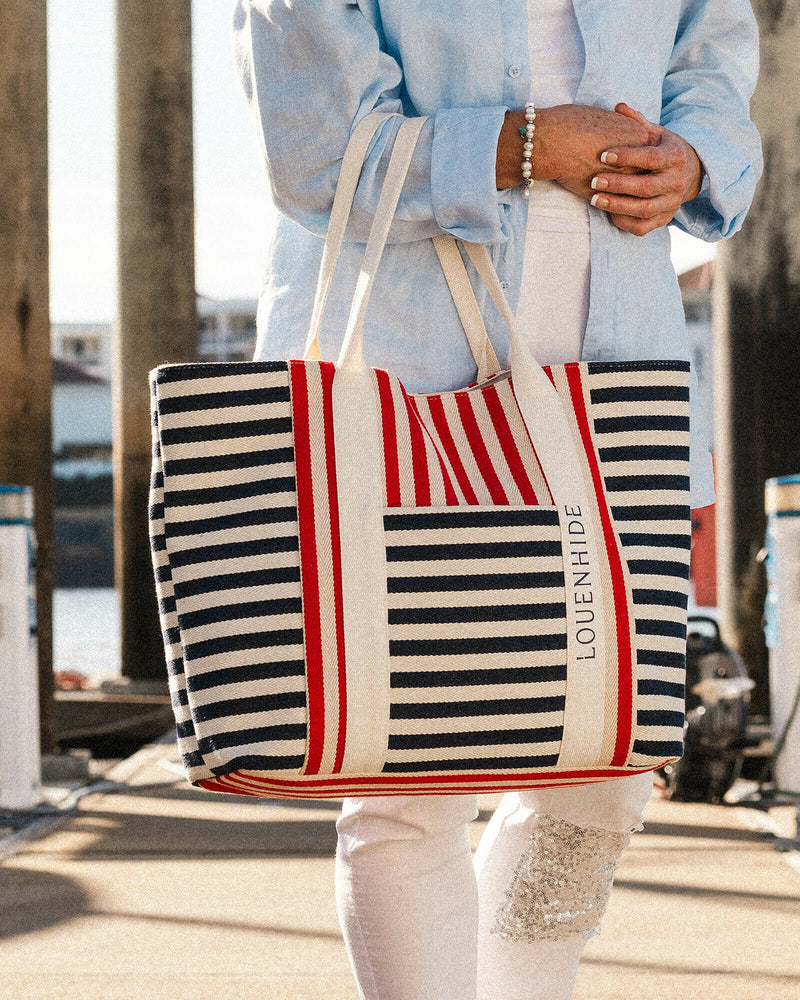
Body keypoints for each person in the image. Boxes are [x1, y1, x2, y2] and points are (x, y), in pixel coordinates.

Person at [231, 2, 762, 998]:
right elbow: (313, 152)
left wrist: (695, 158)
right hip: (400, 378)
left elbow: (711, 60)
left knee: (606, 769)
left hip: (618, 372)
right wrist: (526, 144)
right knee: (407, 781)